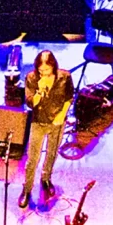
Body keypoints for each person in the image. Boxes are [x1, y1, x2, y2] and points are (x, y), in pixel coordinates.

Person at [19, 50, 74, 208]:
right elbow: (30, 103)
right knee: (33, 159)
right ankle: (27, 188)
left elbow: (69, 97)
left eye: (47, 70)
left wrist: (62, 115)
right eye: (40, 70)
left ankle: (46, 179)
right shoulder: (31, 78)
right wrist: (39, 91)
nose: (43, 73)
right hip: (39, 122)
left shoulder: (65, 77)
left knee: (51, 153)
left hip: (57, 123)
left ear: (53, 67)